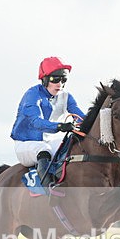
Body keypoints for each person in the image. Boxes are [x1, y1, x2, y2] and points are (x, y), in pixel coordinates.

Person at [10, 56, 86, 188]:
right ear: (44, 80)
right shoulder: (32, 95)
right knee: (44, 150)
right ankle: (49, 187)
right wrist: (60, 126)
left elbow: (81, 118)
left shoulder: (66, 96)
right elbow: (36, 122)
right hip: (26, 144)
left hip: (51, 142)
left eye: (63, 80)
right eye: (55, 79)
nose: (60, 84)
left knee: (73, 146)